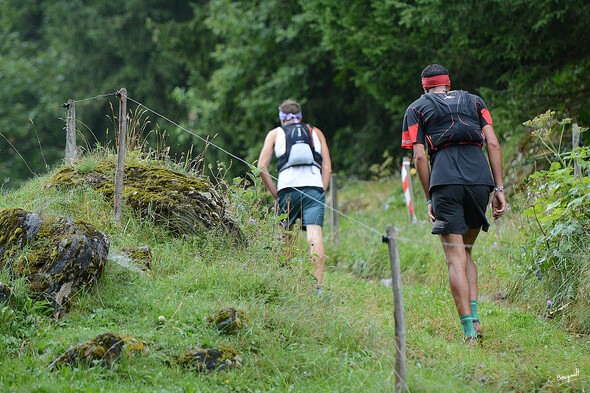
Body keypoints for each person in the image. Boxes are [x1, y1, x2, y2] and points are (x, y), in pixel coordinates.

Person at [401, 64, 506, 347]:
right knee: (467, 251)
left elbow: (420, 157)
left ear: (425, 87)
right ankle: (476, 318)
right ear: (448, 84)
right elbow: (493, 143)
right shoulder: (474, 101)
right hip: (479, 178)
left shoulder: (416, 109)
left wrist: (429, 196)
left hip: (446, 179)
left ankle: (469, 331)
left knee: (454, 257)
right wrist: (498, 188)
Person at [257, 99, 332, 291]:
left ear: (282, 119)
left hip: (287, 189)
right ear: (300, 117)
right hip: (314, 188)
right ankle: (317, 288)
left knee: (285, 236)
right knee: (314, 236)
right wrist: (321, 190)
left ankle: (286, 282)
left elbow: (260, 166)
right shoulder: (316, 132)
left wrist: (275, 193)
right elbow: (327, 167)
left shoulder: (275, 133)